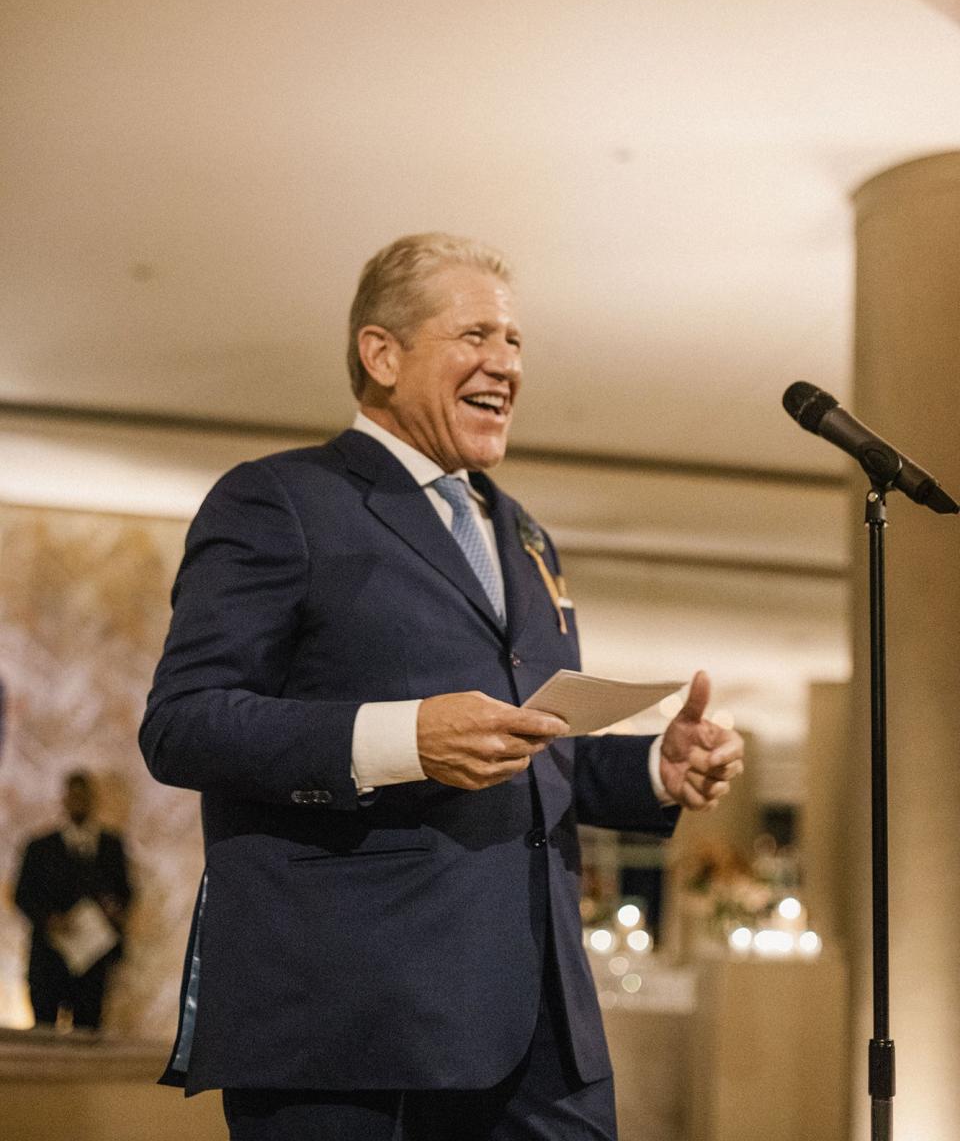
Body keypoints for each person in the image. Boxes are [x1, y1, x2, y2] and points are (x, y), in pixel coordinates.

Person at [140, 232, 744, 1140]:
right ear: (380, 354)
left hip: (544, 1028)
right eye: (475, 336)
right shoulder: (280, 501)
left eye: (514, 343)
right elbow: (183, 725)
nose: (504, 363)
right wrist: (406, 739)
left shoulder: (528, 538)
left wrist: (657, 768)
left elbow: (531, 751)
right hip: (355, 1022)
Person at [13, 770, 133, 1032]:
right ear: (64, 800)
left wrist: (114, 910)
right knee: (43, 1033)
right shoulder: (39, 848)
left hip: (93, 959)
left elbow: (126, 893)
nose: (78, 802)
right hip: (49, 958)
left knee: (88, 1034)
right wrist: (50, 919)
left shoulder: (112, 847)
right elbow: (23, 895)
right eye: (73, 796)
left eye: (83, 796)